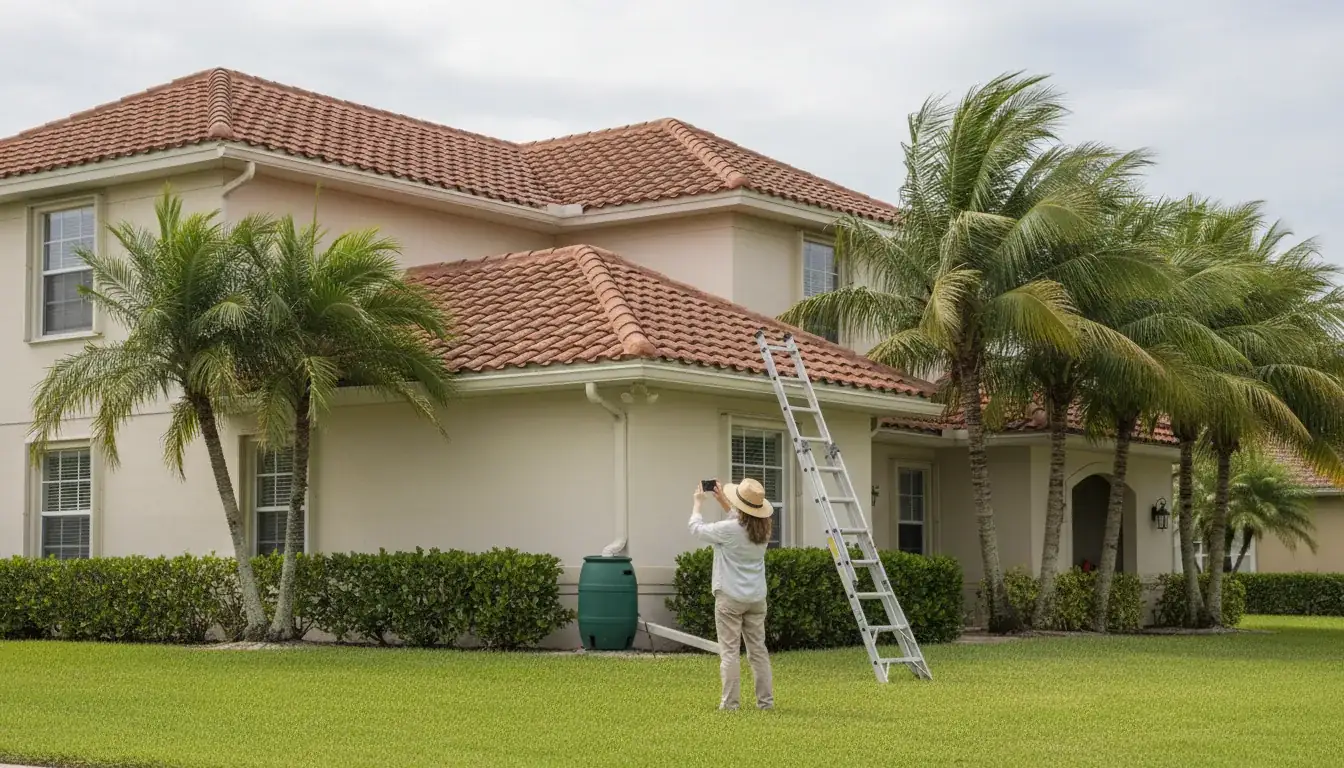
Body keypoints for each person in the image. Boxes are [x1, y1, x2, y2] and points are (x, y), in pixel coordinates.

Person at [689, 478, 774, 711]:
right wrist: (724, 502)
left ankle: (730, 705)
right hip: (756, 599)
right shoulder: (764, 531)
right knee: (758, 651)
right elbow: (741, 523)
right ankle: (765, 703)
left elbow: (696, 529)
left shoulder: (728, 530)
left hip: (730, 598)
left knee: (729, 653)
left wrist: (698, 503)